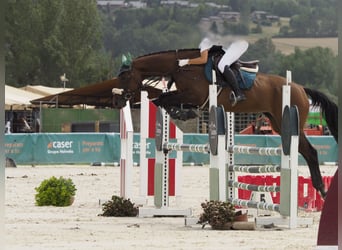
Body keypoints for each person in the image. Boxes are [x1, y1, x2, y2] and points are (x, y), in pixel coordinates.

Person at [178, 38, 248, 104]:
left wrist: (187, 61)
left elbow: (203, 60)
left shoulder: (205, 42)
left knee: (222, 65)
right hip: (230, 45)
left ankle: (239, 94)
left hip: (238, 44)